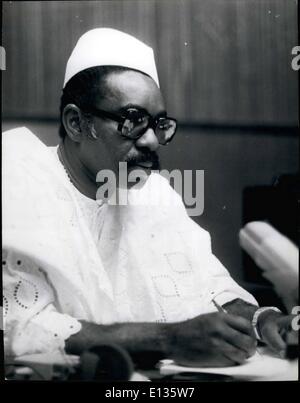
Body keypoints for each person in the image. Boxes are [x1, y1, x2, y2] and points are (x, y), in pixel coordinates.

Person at [3, 28, 294, 369]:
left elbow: (210, 289)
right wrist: (167, 340)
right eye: (133, 121)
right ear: (76, 123)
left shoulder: (153, 192)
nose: (152, 142)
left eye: (159, 124)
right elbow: (21, 328)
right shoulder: (17, 179)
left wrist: (265, 320)